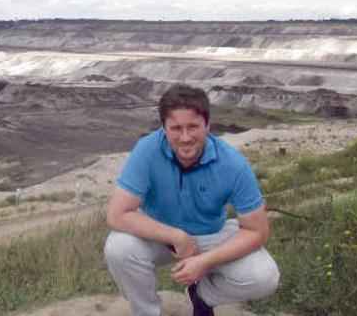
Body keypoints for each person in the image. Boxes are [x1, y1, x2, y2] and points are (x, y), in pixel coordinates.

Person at [104, 84, 279, 316]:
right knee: (118, 248)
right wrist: (176, 236)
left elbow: (257, 231)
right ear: (163, 127)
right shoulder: (147, 150)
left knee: (264, 277)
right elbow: (117, 214)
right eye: (176, 128)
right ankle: (147, 313)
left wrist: (205, 262)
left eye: (193, 127)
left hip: (212, 235)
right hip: (159, 234)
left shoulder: (233, 164)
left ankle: (202, 295)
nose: (185, 137)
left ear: (207, 125)